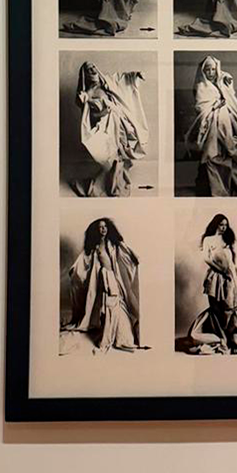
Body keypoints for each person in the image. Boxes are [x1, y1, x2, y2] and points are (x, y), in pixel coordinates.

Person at [178, 214, 237, 355]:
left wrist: (233, 269)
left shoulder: (226, 239)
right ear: (215, 224)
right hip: (216, 276)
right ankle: (219, 336)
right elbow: (206, 258)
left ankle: (231, 335)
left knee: (230, 306)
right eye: (221, 225)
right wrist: (221, 270)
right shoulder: (208, 239)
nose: (223, 228)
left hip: (229, 277)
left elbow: (230, 259)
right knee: (217, 308)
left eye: (226, 225)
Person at [62, 218, 143, 354]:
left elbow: (127, 251)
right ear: (97, 230)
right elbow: (84, 261)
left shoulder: (114, 244)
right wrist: (74, 270)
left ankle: (121, 338)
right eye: (100, 227)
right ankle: (110, 336)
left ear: (108, 228)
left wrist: (135, 258)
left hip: (113, 278)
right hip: (103, 278)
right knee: (107, 307)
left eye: (105, 226)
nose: (103, 229)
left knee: (116, 305)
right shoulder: (95, 247)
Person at [71, 61, 149, 197]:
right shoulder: (88, 93)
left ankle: (117, 179)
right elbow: (89, 111)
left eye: (94, 68)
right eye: (89, 70)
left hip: (118, 122)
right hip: (105, 127)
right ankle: (109, 184)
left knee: (121, 150)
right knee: (111, 156)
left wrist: (135, 76)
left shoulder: (107, 82)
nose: (93, 71)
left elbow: (122, 79)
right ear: (85, 75)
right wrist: (95, 105)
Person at [184, 55, 237, 196]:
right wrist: (216, 106)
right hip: (211, 125)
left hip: (227, 123)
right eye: (207, 70)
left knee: (229, 154)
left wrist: (228, 83)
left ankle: (236, 186)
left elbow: (229, 96)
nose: (210, 72)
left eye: (213, 69)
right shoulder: (201, 86)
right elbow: (201, 108)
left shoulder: (219, 82)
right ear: (203, 71)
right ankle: (217, 189)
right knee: (212, 156)